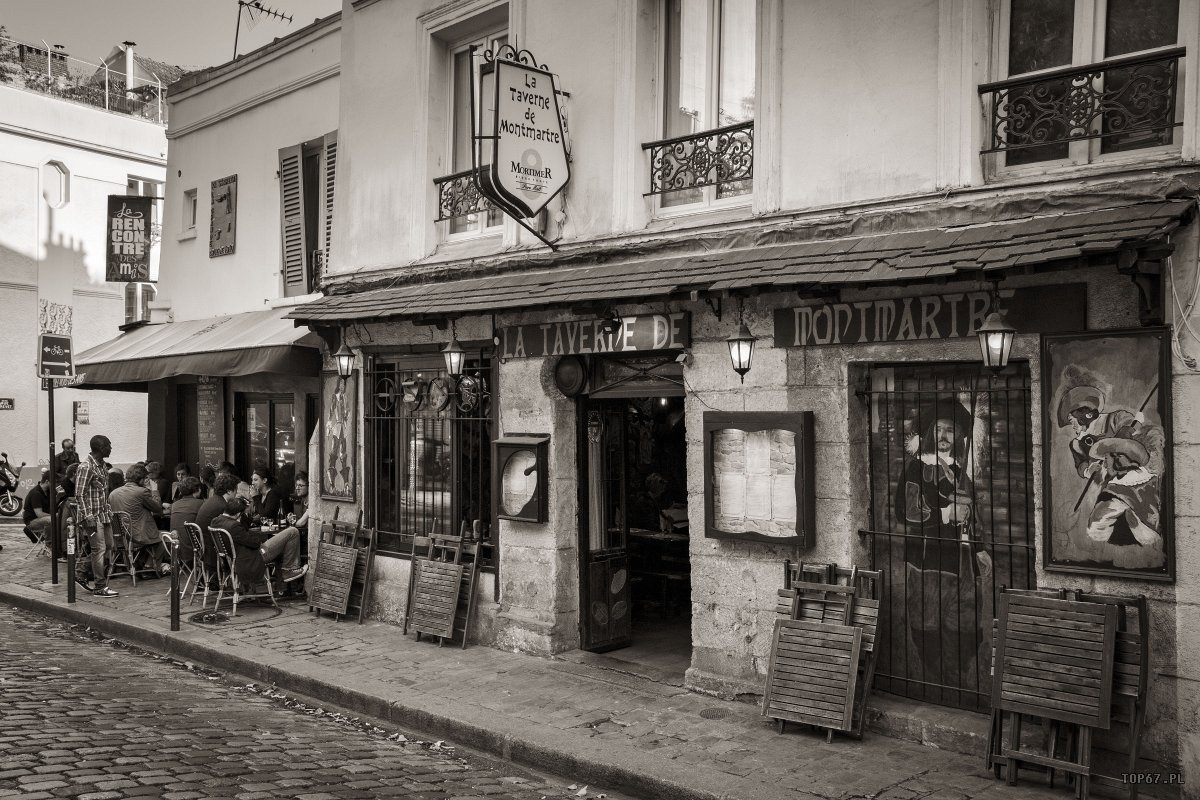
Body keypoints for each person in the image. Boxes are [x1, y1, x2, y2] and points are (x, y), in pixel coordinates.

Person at [1058, 380, 1166, 550]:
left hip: (1131, 475)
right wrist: (1087, 470)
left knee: (1143, 515)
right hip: (1106, 484)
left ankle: (1142, 528)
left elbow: (1135, 435)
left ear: (1084, 414)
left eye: (1072, 420)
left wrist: (1130, 430)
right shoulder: (1077, 444)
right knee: (1098, 527)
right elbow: (1081, 464)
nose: (1072, 426)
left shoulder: (1115, 418)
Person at [209, 496, 308, 589]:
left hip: (236, 558)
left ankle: (284, 580)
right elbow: (255, 543)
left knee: (282, 545)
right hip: (254, 556)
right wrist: (258, 538)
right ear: (239, 514)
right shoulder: (234, 526)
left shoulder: (215, 521)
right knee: (292, 531)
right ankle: (289, 570)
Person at [75, 435, 119, 597]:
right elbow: (79, 494)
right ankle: (100, 586)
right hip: (92, 516)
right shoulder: (86, 467)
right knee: (99, 549)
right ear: (101, 448)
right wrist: (88, 517)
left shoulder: (102, 466)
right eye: (109, 445)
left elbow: (102, 493)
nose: (111, 448)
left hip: (103, 514)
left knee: (108, 547)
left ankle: (80, 572)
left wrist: (108, 512)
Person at [108, 464, 172, 576]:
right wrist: (154, 490)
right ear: (142, 479)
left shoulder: (113, 494)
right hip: (138, 536)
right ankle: (150, 568)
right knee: (163, 538)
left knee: (151, 539)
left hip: (120, 537)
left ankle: (139, 563)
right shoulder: (141, 492)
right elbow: (157, 508)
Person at [196, 473, 241, 579]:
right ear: (229, 491)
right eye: (236, 490)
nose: (236, 493)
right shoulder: (223, 506)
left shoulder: (212, 500)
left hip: (205, 550)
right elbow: (234, 530)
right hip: (215, 552)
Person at [169, 476, 206, 564]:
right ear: (198, 489)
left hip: (177, 549)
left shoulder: (175, 505)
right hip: (194, 550)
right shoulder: (201, 504)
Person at [22, 470, 53, 547]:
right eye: (54, 482)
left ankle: (57, 543)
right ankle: (50, 544)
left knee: (59, 518)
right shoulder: (36, 493)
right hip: (32, 521)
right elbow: (39, 514)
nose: (56, 484)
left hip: (41, 519)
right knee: (51, 520)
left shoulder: (48, 491)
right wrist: (54, 515)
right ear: (47, 481)